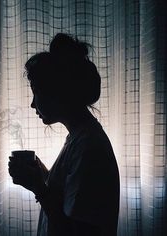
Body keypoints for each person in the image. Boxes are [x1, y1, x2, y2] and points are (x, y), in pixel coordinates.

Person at [8, 33, 120, 236]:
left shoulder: (89, 146)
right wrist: (43, 173)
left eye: (36, 91)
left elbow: (79, 231)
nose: (33, 103)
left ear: (57, 91)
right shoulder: (79, 138)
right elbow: (71, 197)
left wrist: (38, 188)